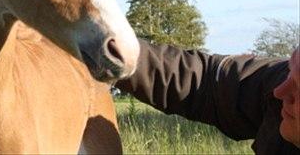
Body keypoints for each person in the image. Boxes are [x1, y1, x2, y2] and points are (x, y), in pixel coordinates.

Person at [115, 39, 299, 154]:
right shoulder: (274, 86)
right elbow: (203, 80)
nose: (280, 92)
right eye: (290, 72)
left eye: (299, 87)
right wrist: (113, 50)